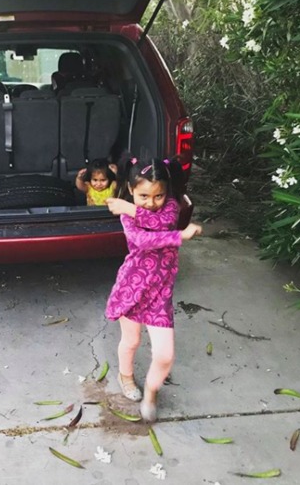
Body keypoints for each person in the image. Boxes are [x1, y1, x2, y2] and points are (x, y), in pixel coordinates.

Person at [105, 157, 203, 421]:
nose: (151, 202)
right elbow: (141, 239)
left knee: (165, 353)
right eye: (143, 196)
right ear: (130, 188)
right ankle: (125, 376)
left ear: (166, 192)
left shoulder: (169, 207)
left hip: (161, 293)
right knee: (132, 340)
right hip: (133, 287)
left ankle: (151, 390)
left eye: (158, 195)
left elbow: (162, 223)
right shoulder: (128, 215)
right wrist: (179, 236)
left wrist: (132, 207)